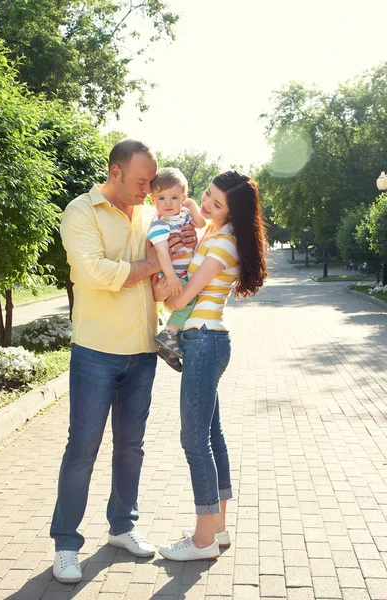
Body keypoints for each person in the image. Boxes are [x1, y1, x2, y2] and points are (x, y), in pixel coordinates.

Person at [50, 139, 197, 583]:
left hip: (141, 351)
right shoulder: (81, 212)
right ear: (115, 172)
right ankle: (65, 545)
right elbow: (97, 273)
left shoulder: (151, 212)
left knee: (131, 447)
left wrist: (185, 243)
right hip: (96, 350)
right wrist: (155, 263)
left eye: (152, 182)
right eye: (140, 181)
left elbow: (175, 253)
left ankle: (122, 527)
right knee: (83, 448)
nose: (148, 189)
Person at [153, 171, 267, 561]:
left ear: (232, 213)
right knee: (211, 435)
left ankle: (202, 541)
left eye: (216, 204)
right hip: (207, 339)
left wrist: (163, 286)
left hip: (203, 341)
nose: (205, 204)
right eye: (207, 195)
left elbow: (181, 296)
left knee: (194, 440)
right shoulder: (217, 233)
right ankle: (217, 529)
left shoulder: (221, 241)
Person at [148, 167, 206, 369]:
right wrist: (172, 278)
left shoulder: (184, 215)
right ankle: (169, 333)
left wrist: (189, 204)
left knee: (189, 302)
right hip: (172, 274)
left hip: (181, 273)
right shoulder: (159, 224)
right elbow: (162, 253)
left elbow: (201, 222)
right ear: (153, 199)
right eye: (161, 198)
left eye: (174, 197)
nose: (168, 203)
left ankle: (169, 347)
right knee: (189, 300)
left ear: (183, 198)